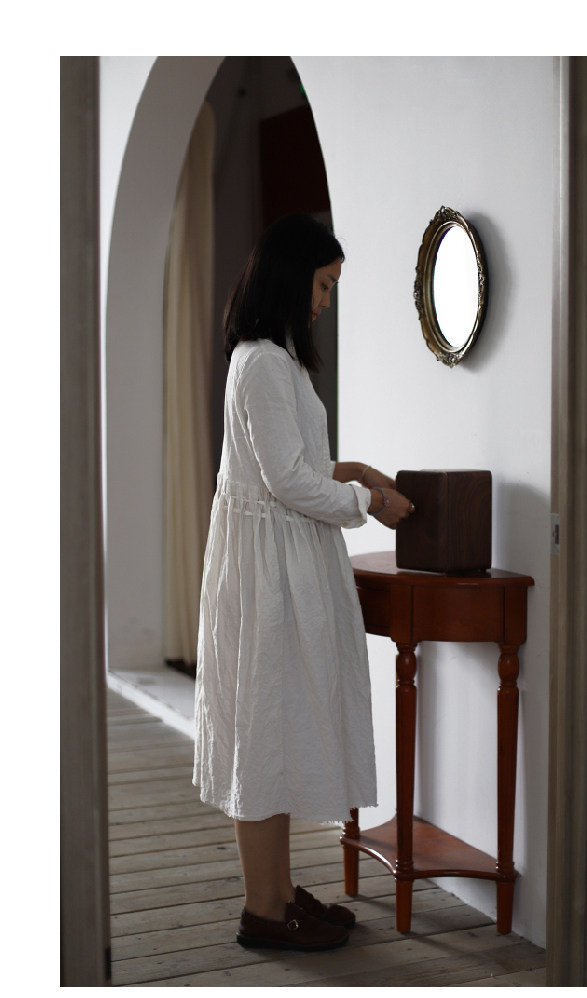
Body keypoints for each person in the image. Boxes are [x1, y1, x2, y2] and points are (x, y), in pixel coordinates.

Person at [193, 213, 414, 952]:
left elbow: (287, 466)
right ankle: (263, 909)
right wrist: (368, 501)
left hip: (279, 561)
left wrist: (350, 472)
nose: (325, 300)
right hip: (267, 572)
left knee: (278, 728)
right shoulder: (259, 362)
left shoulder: (278, 360)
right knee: (263, 731)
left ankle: (281, 892)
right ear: (291, 278)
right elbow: (286, 482)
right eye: (322, 285)